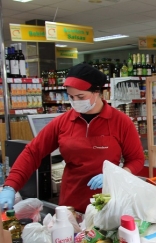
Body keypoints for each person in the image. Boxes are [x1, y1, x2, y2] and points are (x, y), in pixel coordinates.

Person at [0, 63, 145, 213]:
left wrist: (114, 175)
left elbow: (136, 160)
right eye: (71, 96)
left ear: (97, 92)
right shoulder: (63, 122)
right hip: (71, 207)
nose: (75, 101)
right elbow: (32, 152)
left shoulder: (121, 122)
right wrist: (10, 186)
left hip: (109, 204)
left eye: (80, 96)